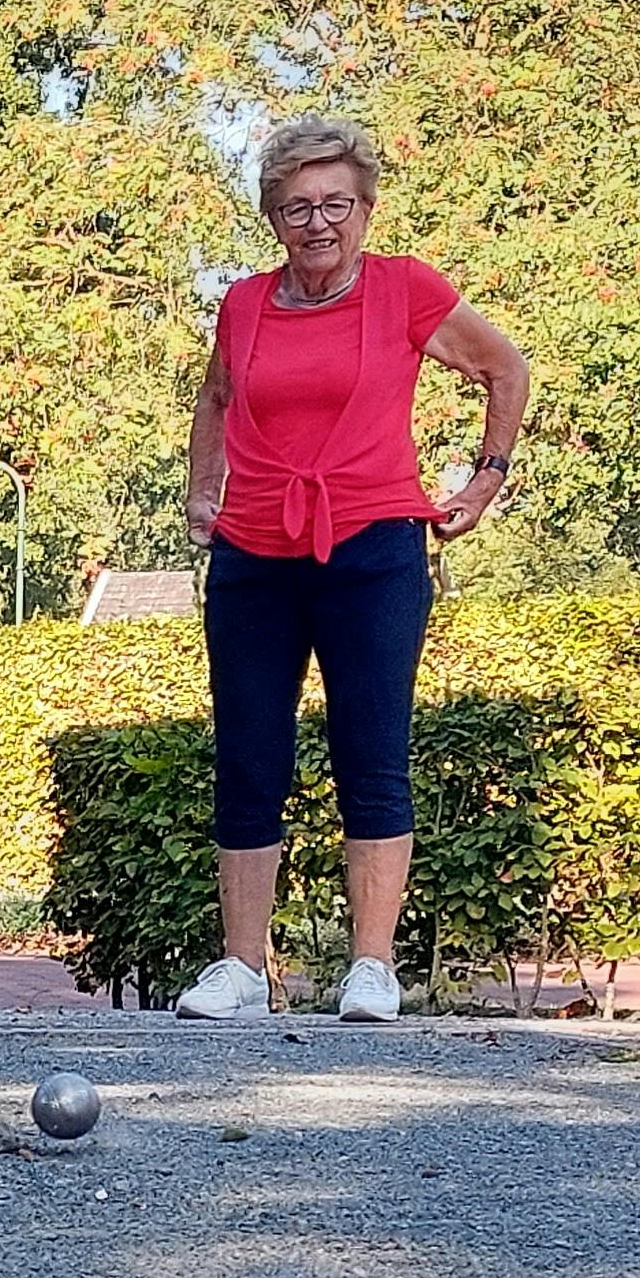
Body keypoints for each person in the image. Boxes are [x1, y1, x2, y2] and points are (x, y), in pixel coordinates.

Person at [169, 116, 532, 1024]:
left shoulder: (404, 290)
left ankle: (373, 966)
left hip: (372, 546)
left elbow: (505, 369)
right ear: (273, 217)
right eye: (296, 207)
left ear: (366, 207)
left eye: (335, 203)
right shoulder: (245, 304)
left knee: (371, 751)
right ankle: (243, 969)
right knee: (248, 757)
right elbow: (215, 397)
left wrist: (484, 481)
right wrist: (200, 492)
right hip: (254, 550)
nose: (317, 223)